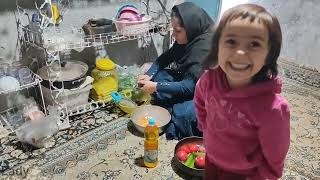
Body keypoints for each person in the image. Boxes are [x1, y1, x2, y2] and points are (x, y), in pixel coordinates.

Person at [194, 4, 290, 180]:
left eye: (254, 44)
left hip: (243, 174)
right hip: (212, 160)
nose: (239, 52)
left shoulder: (272, 108)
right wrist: (204, 127)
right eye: (231, 41)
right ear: (217, 46)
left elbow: (275, 157)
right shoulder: (209, 80)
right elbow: (200, 99)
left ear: (269, 54)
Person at [138, 2, 214, 139]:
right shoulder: (190, 37)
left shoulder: (204, 47)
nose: (173, 35)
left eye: (178, 31)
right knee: (160, 76)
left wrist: (156, 87)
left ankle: (176, 109)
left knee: (185, 114)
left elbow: (190, 87)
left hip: (210, 94)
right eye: (173, 29)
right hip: (191, 82)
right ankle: (173, 104)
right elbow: (164, 58)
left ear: (191, 28)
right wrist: (149, 76)